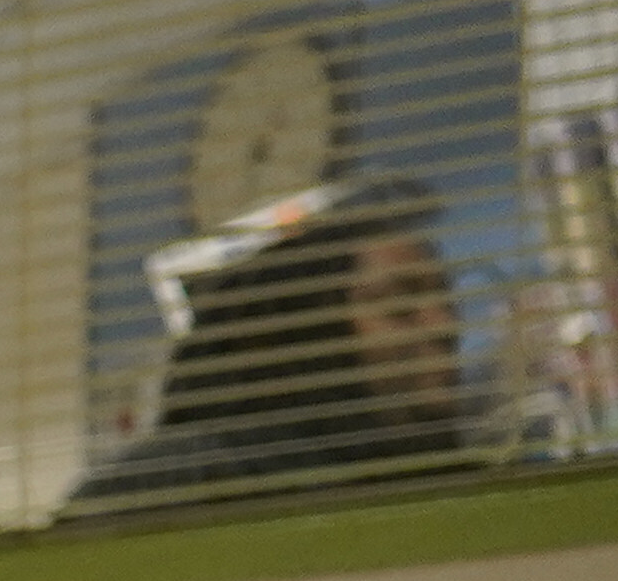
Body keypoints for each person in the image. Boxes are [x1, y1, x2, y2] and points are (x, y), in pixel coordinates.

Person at [67, 170, 476, 517]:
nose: (446, 325)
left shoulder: (445, 493)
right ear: (312, 331)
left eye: (445, 299)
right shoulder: (194, 479)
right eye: (401, 304)